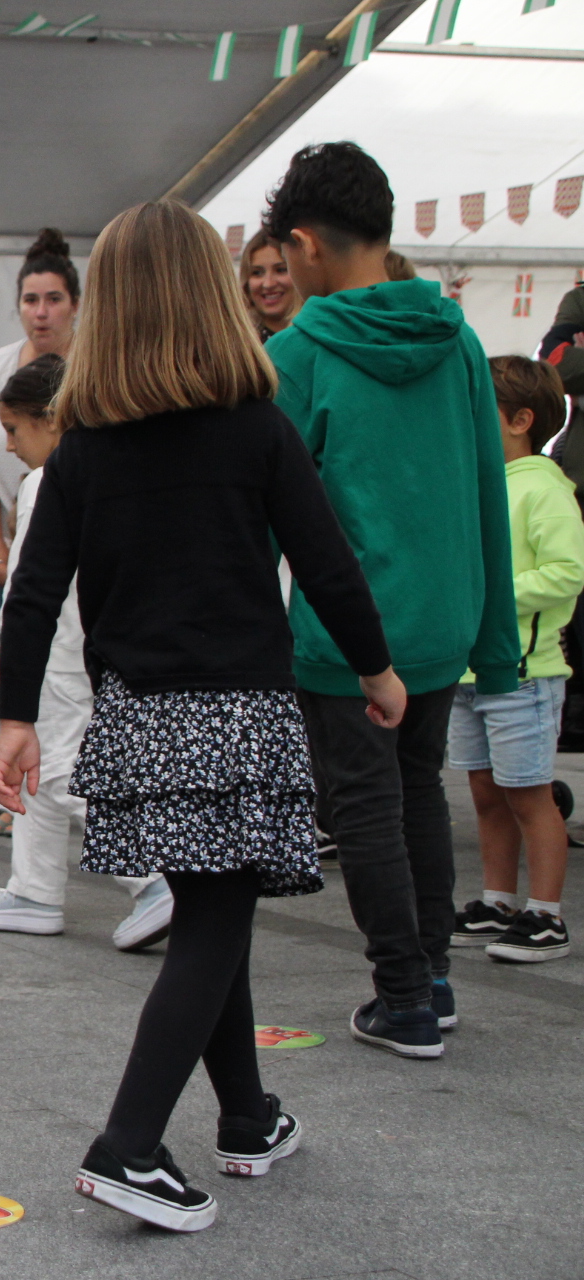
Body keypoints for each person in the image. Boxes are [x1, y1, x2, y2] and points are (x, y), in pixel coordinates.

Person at [0, 199, 400, 1232]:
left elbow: (34, 591)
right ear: (213, 297)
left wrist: (15, 715)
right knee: (215, 920)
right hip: (236, 710)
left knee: (214, 909)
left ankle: (249, 1115)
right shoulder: (255, 427)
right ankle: (128, 1144)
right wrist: (376, 669)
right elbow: (326, 562)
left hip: (138, 714)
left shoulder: (85, 445)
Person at [264, 142, 519, 1059]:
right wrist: (496, 644)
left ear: (305, 244)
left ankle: (403, 994)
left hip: (347, 635)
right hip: (444, 620)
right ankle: (433, 980)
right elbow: (488, 489)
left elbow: (263, 506)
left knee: (365, 805)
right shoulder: (459, 340)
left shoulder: (297, 354)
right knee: (418, 791)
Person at [0, 355, 175, 950]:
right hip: (93, 642)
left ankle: (153, 878)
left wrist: (9, 651)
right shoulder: (118, 467)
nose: (8, 445)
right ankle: (33, 890)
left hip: (55, 647)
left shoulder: (46, 482)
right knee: (39, 766)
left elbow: (30, 582)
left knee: (53, 768)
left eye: (13, 429)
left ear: (52, 419)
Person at [447, 357, 582, 963]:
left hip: (524, 674)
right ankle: (498, 902)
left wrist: (491, 592)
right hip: (468, 672)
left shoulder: (545, 488)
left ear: (521, 420)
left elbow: (567, 573)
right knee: (484, 792)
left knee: (529, 794)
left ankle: (546, 915)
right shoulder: (479, 481)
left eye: (479, 407)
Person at [0, 229, 80, 580]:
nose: (41, 312)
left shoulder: (97, 366)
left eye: (54, 299)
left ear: (75, 304)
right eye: (30, 300)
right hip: (14, 541)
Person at [239, 229, 301, 341]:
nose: (268, 284)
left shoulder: (321, 336)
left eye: (281, 270)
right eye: (257, 273)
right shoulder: (235, 340)